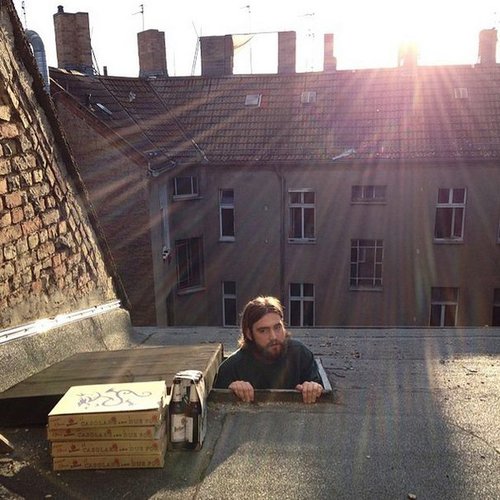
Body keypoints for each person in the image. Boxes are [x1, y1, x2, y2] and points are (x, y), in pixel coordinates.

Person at [214, 296, 323, 404]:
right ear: (249, 334)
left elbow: (321, 392)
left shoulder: (300, 354)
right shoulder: (231, 368)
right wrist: (232, 391)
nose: (273, 337)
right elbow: (217, 406)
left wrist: (312, 387)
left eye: (277, 327)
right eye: (263, 330)